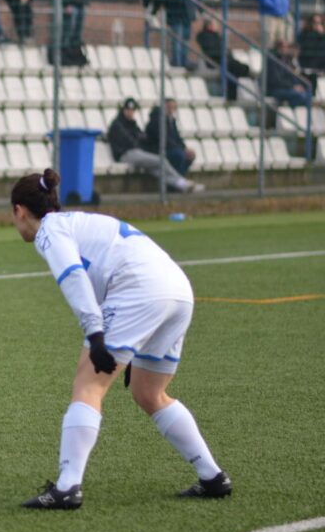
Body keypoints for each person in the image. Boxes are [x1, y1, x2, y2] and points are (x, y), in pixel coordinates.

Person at [12, 168, 231, 509]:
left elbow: (74, 278)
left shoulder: (50, 231)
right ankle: (212, 476)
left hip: (141, 291)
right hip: (178, 289)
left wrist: (96, 333)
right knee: (149, 392)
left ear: (19, 211)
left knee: (88, 386)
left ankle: (68, 487)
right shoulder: (79, 221)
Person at [107, 98, 203, 193]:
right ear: (123, 110)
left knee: (156, 169)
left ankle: (180, 184)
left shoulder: (131, 123)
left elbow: (141, 136)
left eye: (132, 110)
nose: (131, 112)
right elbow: (131, 141)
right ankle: (182, 182)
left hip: (137, 153)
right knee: (161, 160)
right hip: (126, 154)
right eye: (128, 110)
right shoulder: (118, 124)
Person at [195, 18, 250, 101]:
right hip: (215, 59)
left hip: (223, 58)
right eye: (215, 25)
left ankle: (245, 73)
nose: (217, 27)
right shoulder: (204, 36)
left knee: (238, 67)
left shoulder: (216, 36)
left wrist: (226, 54)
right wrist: (224, 54)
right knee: (232, 68)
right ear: (209, 26)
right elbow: (211, 50)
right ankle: (231, 96)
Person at [144, 99, 197, 178]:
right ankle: (177, 182)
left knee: (190, 155)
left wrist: (184, 148)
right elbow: (162, 138)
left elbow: (177, 137)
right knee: (179, 155)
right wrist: (180, 148)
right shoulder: (157, 119)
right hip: (158, 149)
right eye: (169, 107)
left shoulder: (171, 120)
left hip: (171, 148)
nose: (171, 110)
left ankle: (178, 179)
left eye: (173, 108)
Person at [265, 39, 312, 108]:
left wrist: (297, 85)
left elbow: (292, 76)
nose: (287, 49)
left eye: (287, 47)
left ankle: (294, 111)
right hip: (275, 89)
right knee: (300, 96)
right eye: (285, 47)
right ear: (278, 48)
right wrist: (292, 87)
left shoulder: (287, 60)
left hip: (287, 88)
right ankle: (288, 110)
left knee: (308, 93)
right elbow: (276, 80)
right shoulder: (272, 61)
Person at [297, 14, 325, 96]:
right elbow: (305, 45)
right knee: (307, 81)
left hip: (319, 63)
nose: (316, 25)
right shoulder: (305, 34)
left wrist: (321, 34)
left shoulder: (322, 35)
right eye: (314, 22)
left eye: (318, 23)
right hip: (307, 62)